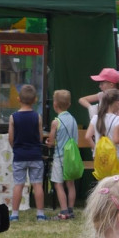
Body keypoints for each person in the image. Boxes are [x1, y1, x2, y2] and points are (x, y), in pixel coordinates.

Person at [8, 84, 46, 222]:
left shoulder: (13, 117)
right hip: (35, 155)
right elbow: (40, 137)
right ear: (35, 100)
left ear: (18, 99)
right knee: (37, 184)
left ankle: (15, 214)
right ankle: (40, 214)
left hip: (19, 156)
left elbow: (10, 138)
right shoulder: (37, 116)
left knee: (18, 184)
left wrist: (16, 148)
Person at [47, 89, 79, 220]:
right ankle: (71, 210)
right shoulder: (73, 120)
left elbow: (51, 141)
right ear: (69, 104)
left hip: (60, 157)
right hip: (71, 157)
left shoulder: (56, 122)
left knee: (58, 184)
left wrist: (49, 141)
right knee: (70, 184)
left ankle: (64, 211)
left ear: (55, 105)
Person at [90, 88, 119, 172]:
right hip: (114, 156)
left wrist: (96, 149)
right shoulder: (117, 119)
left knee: (103, 182)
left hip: (100, 156)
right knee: (117, 183)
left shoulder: (95, 118)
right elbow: (116, 139)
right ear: (116, 103)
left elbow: (87, 136)